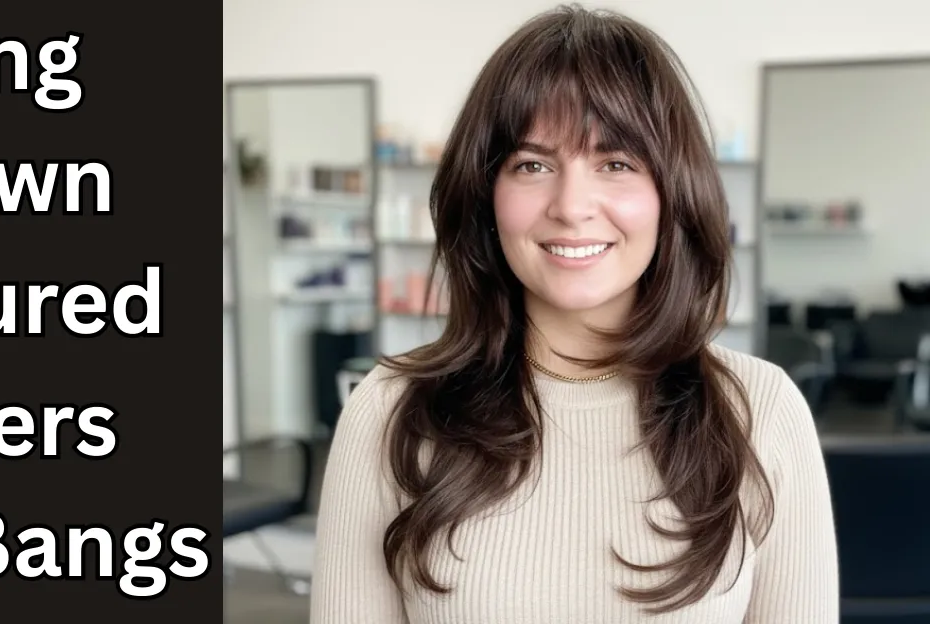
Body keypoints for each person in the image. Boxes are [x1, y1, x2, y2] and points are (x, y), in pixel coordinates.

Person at [309, 5, 839, 623]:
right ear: (486, 195)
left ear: (673, 192)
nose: (571, 206)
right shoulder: (392, 409)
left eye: (616, 164)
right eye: (532, 165)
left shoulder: (761, 410)